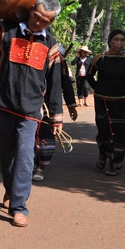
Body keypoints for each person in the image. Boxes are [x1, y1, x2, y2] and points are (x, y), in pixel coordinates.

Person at [0, 0, 63, 228]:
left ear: (51, 22)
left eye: (44, 21)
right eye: (36, 17)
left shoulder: (51, 45)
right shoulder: (6, 31)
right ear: (31, 10)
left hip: (31, 111)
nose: (38, 23)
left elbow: (55, 84)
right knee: (3, 154)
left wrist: (57, 115)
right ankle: (11, 190)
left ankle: (19, 206)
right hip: (3, 105)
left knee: (25, 156)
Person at [86, 30, 125, 176]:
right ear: (110, 41)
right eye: (116, 39)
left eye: (122, 40)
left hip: (121, 102)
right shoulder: (100, 59)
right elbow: (89, 75)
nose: (119, 43)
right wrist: (97, 87)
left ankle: (113, 163)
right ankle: (103, 154)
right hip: (102, 101)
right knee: (104, 131)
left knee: (119, 133)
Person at [33, 44, 78, 182]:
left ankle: (41, 167)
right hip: (28, 102)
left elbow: (64, 84)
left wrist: (71, 106)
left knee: (46, 135)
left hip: (48, 105)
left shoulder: (58, 62)